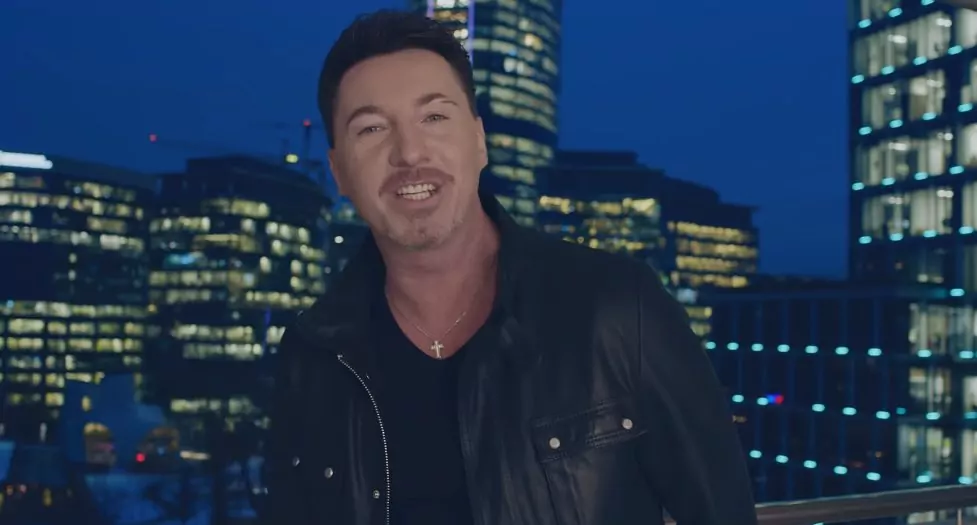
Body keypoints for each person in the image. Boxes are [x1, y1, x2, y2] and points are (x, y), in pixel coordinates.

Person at [265, 9, 758, 525]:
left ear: (479, 141)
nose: (409, 153)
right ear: (339, 172)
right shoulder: (313, 354)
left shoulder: (617, 308)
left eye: (434, 118)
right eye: (371, 128)